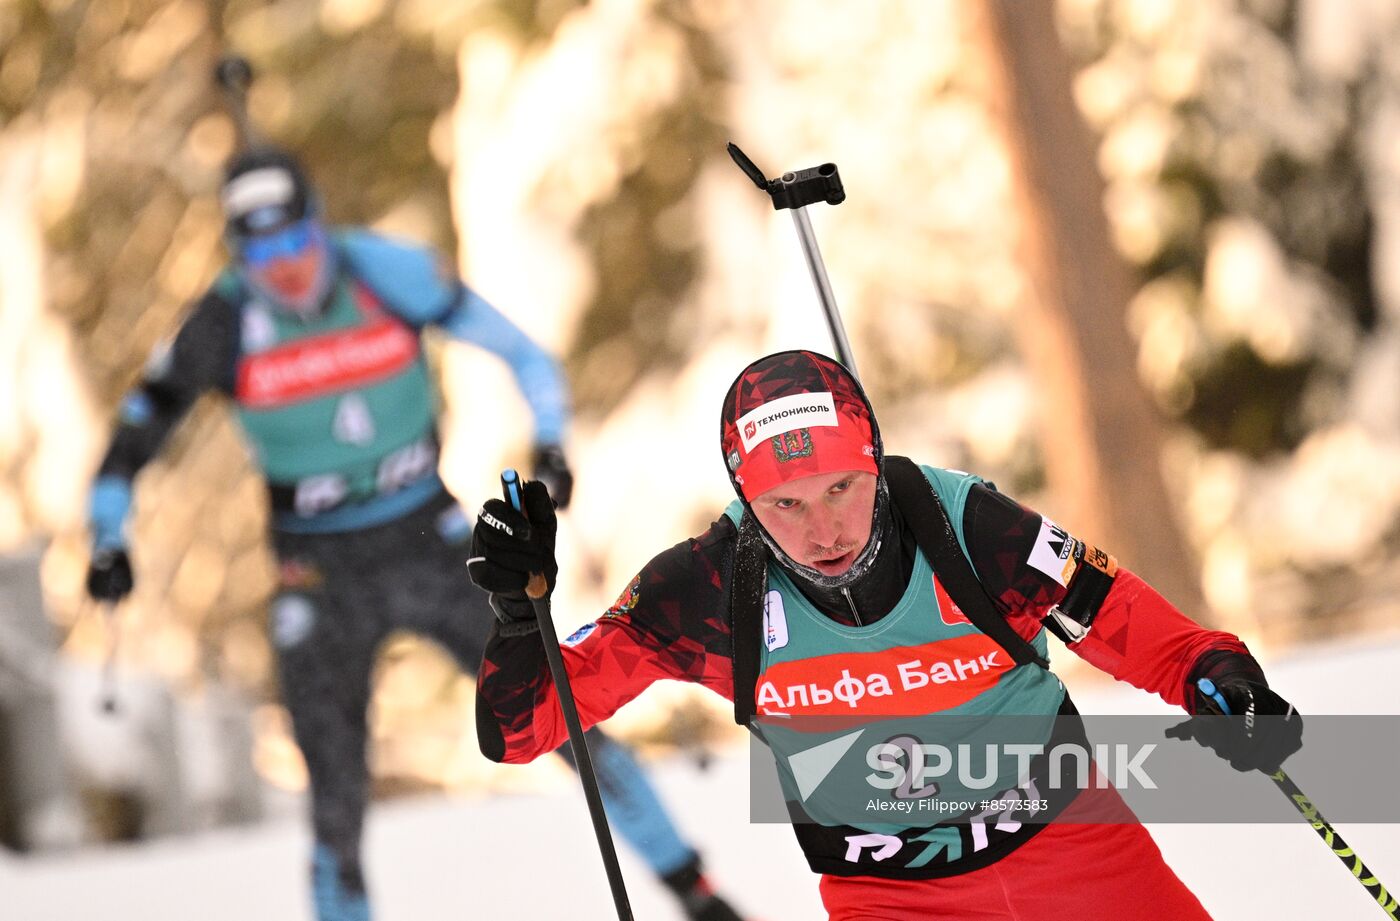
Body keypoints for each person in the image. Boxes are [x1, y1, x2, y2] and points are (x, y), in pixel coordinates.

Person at [82, 146, 748, 921]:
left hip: (429, 546)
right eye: (259, 251)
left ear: (318, 224)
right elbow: (134, 435)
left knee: (566, 713)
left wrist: (553, 444)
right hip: (317, 572)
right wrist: (108, 537)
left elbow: (523, 352)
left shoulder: (382, 272)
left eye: (295, 241)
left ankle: (698, 896)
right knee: (334, 791)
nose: (285, 267)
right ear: (237, 252)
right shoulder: (224, 319)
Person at [466, 348, 1305, 920]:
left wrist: (1216, 673)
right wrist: (516, 621)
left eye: (841, 487)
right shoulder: (709, 588)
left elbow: (1119, 618)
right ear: (744, 503)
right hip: (894, 895)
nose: (823, 527)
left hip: (1074, 847)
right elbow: (523, 727)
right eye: (784, 504)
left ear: (873, 460)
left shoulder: (966, 527)